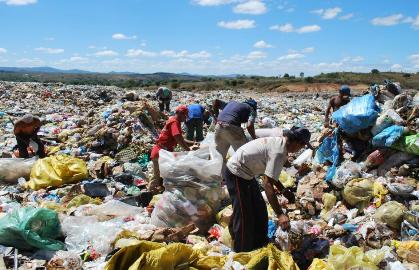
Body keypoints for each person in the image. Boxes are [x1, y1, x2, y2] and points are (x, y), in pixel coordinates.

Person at [224, 126, 312, 252]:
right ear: (297, 142)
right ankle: (242, 251)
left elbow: (271, 174)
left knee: (259, 209)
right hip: (236, 172)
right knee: (244, 215)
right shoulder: (279, 151)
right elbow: (267, 184)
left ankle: (260, 242)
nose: (301, 149)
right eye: (302, 146)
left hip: (247, 174)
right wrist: (280, 214)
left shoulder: (282, 145)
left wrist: (283, 190)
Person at [148, 105, 197, 194]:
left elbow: (180, 138)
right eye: (185, 116)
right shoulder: (175, 122)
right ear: (181, 114)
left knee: (166, 173)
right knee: (157, 175)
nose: (185, 118)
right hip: (160, 153)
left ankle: (161, 190)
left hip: (163, 152)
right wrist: (188, 150)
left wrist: (192, 143)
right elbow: (178, 138)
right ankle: (149, 195)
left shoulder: (172, 120)